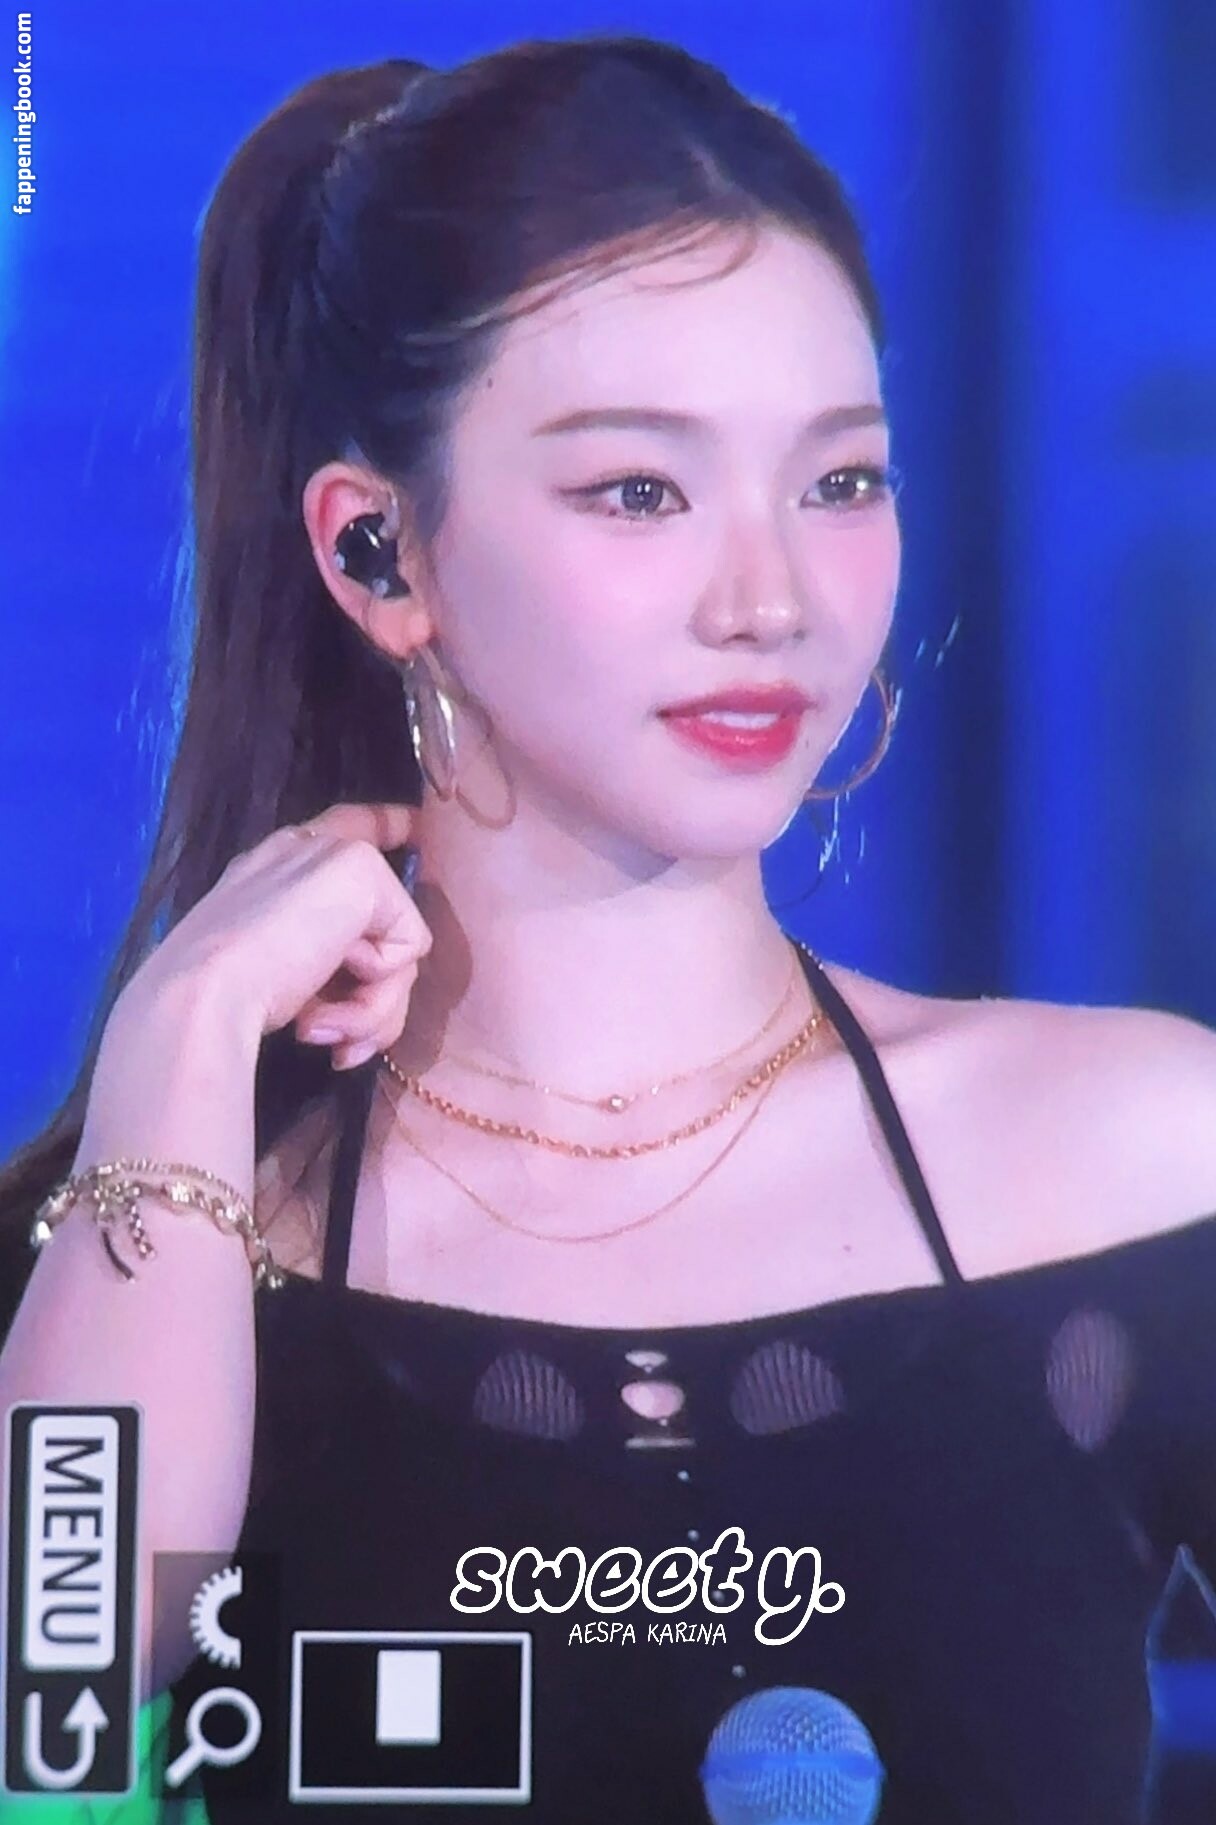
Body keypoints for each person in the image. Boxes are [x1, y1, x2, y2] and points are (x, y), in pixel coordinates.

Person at [3, 34, 1216, 1825]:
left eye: (841, 481)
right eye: (642, 490)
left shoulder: (1139, 1152)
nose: (772, 599)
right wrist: (172, 1066)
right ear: (377, 555)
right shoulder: (156, 1240)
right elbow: (48, 1696)